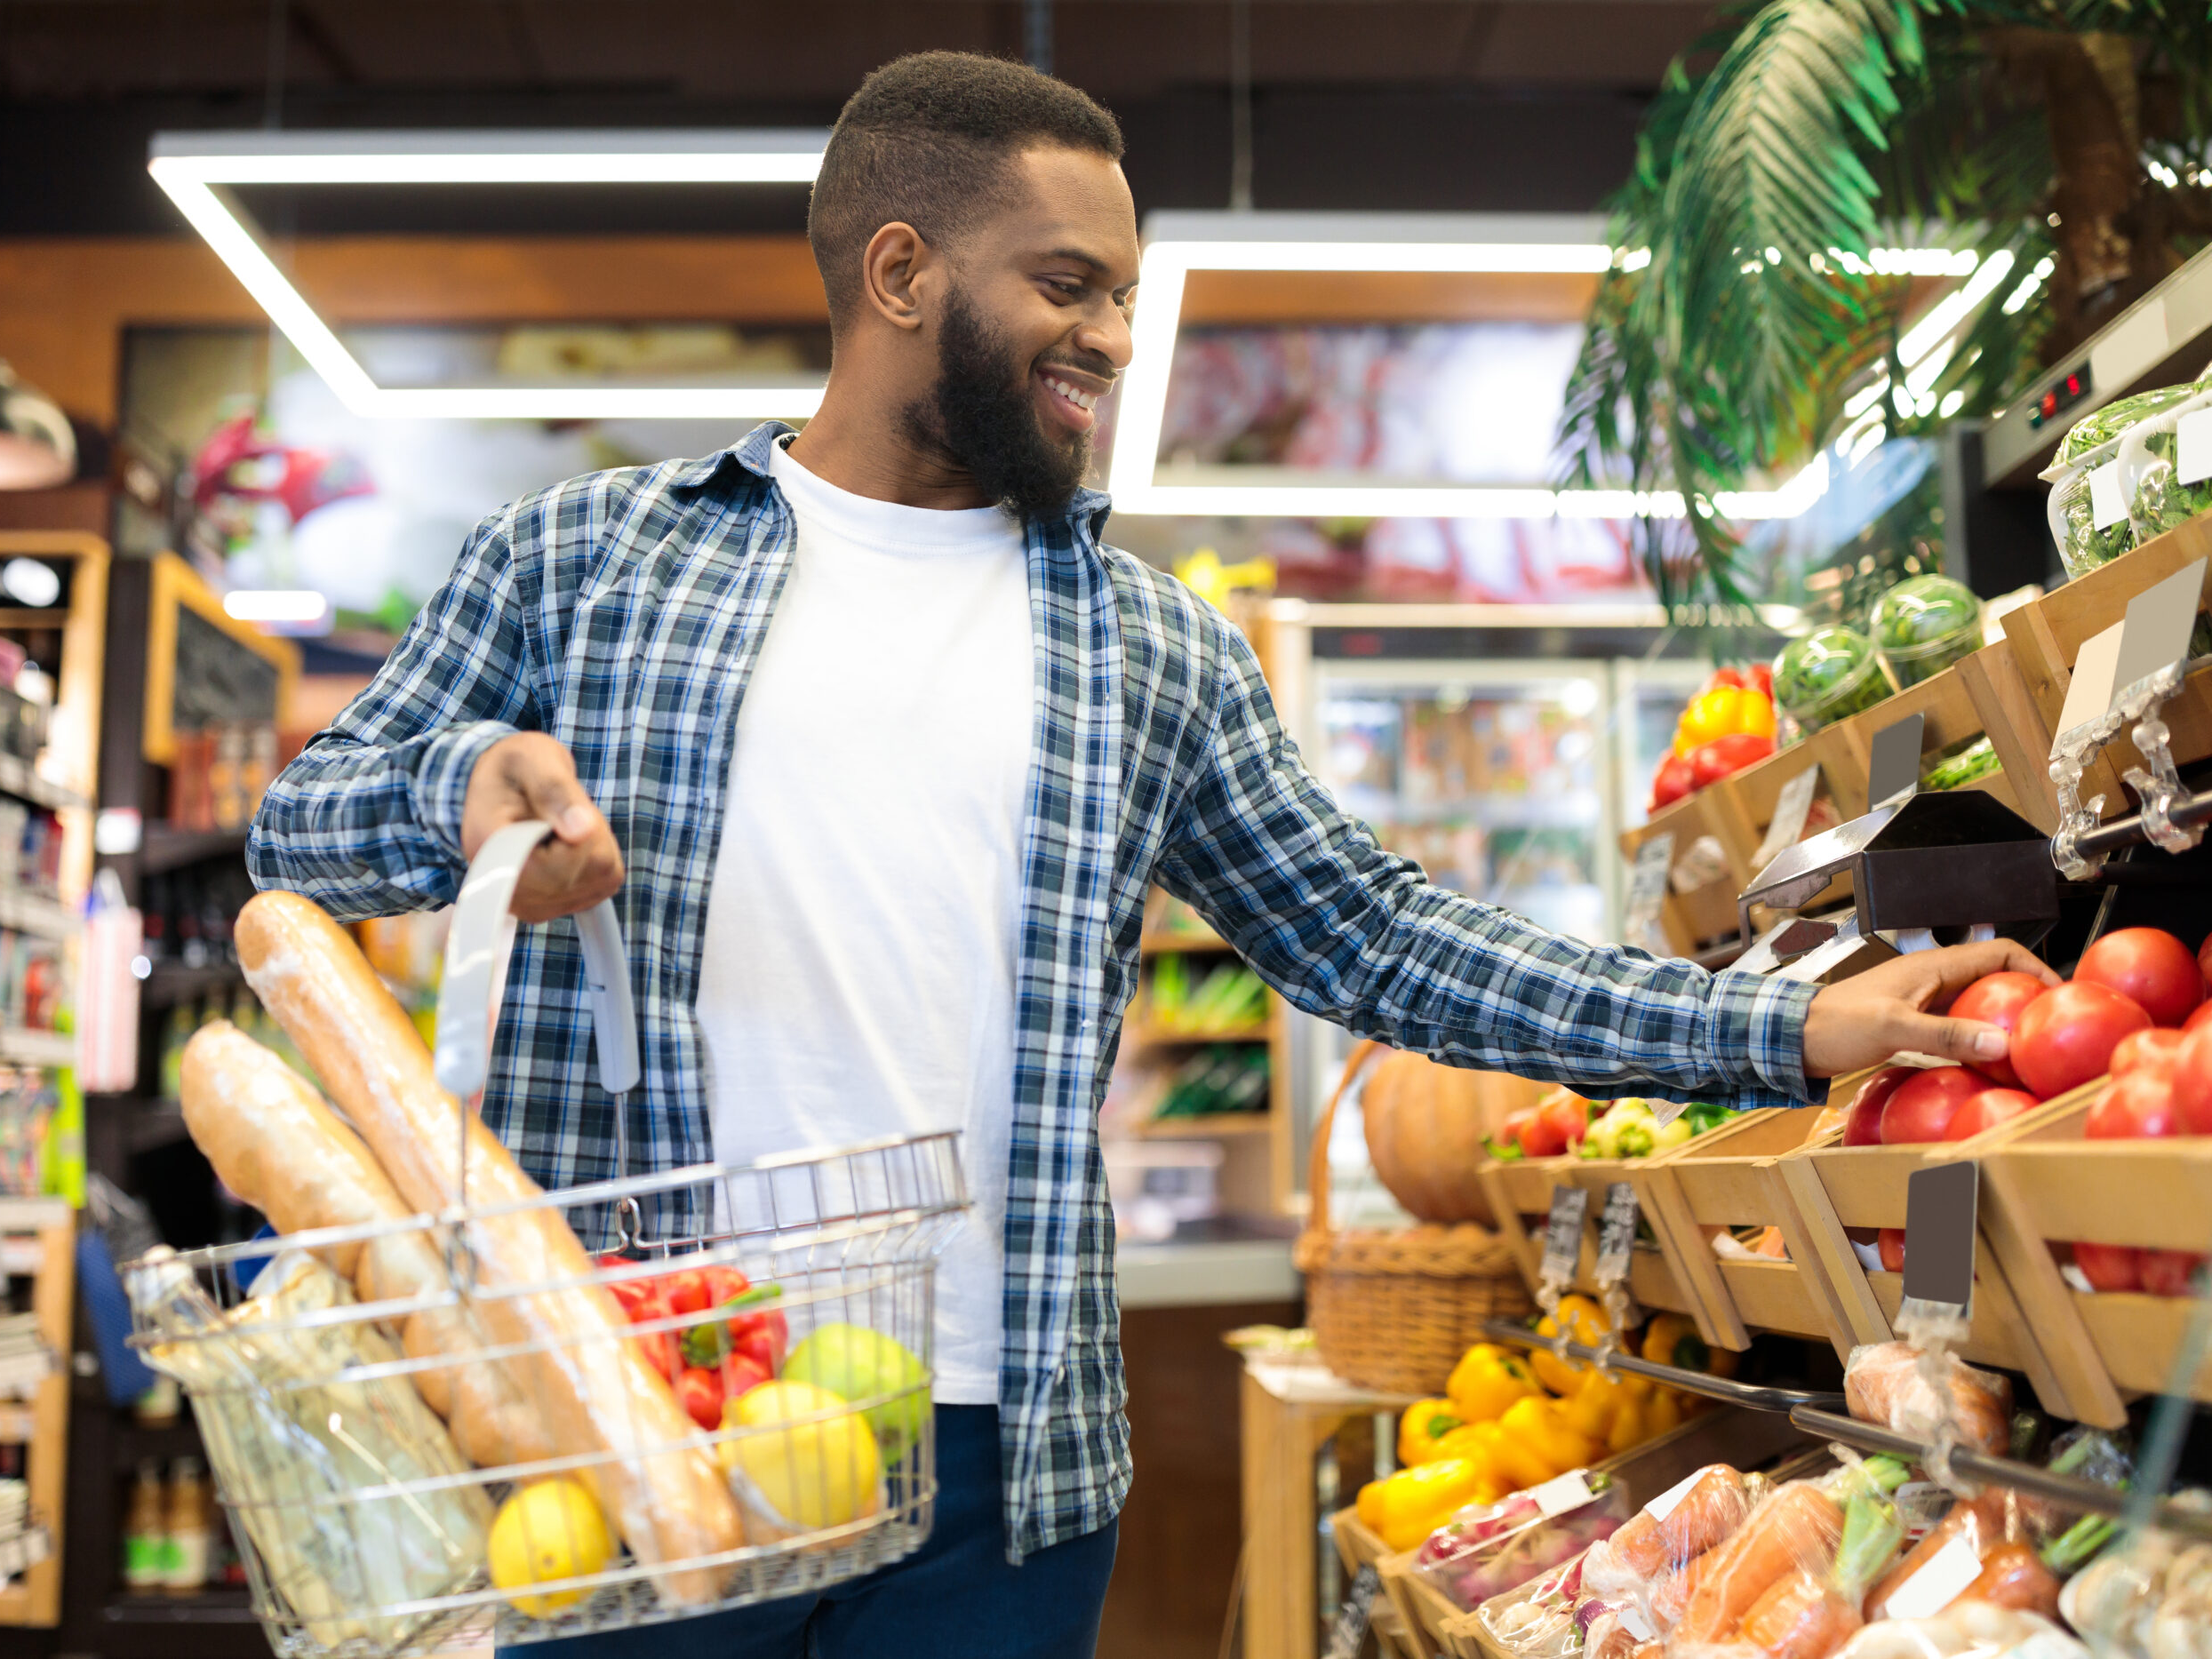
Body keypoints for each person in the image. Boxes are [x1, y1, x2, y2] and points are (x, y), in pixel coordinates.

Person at [248, 49, 2056, 1659]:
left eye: (1121, 289)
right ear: (898, 274)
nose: (1112, 336)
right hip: (637, 1421)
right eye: (1066, 284)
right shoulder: (584, 557)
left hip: (996, 1460)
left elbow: (1379, 938)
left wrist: (1781, 1024)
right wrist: (462, 789)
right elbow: (301, 821)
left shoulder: (1143, 643)